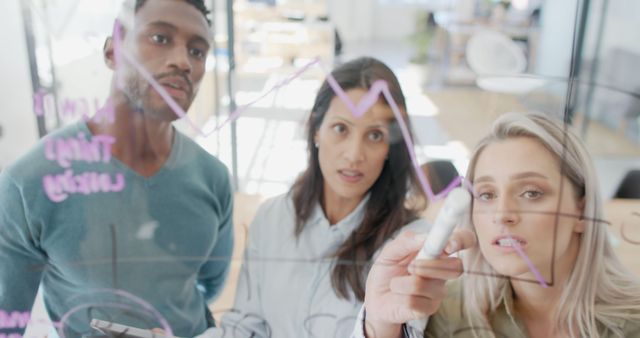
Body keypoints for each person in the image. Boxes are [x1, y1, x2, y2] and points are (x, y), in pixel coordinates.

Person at [0, 1, 233, 337]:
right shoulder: (27, 184)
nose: (183, 61)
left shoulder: (213, 177)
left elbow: (208, 285)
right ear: (113, 51)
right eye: (160, 38)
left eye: (197, 51)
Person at [194, 57, 431, 338]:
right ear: (316, 129)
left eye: (375, 135)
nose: (354, 154)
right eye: (341, 129)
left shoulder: (408, 244)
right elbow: (245, 327)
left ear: (391, 147)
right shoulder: (272, 217)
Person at [358, 112, 640, 338]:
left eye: (531, 193)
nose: (502, 214)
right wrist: (380, 328)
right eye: (486, 195)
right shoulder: (442, 314)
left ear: (582, 211)